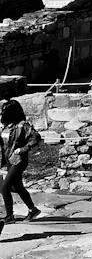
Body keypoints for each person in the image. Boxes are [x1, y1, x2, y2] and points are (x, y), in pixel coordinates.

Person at [0, 99, 41, 234]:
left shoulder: (23, 126)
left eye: (5, 110)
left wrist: (23, 149)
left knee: (4, 187)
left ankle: (9, 215)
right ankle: (33, 210)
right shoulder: (6, 126)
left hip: (18, 160)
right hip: (8, 160)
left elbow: (36, 138)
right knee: (17, 187)